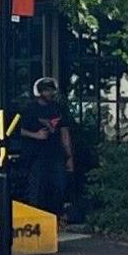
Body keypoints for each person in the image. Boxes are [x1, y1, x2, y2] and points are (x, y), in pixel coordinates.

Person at [15, 77, 74, 215]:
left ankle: (56, 217)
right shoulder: (30, 109)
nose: (50, 93)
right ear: (40, 92)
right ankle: (36, 216)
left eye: (51, 90)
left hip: (56, 154)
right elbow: (18, 130)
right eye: (46, 90)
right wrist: (36, 135)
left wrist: (69, 156)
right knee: (37, 188)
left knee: (58, 186)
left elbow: (64, 132)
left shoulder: (58, 109)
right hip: (36, 156)